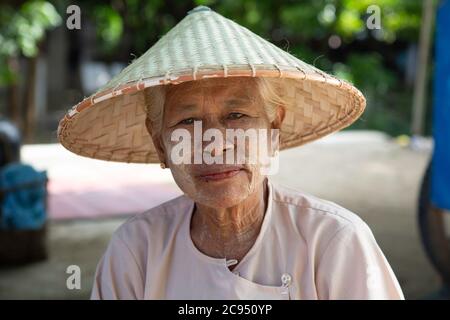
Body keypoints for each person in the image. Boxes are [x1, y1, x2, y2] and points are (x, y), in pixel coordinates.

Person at [57, 6, 404, 300]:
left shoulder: (333, 242)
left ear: (273, 130)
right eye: (187, 121)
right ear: (160, 143)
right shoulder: (136, 251)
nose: (214, 144)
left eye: (236, 116)